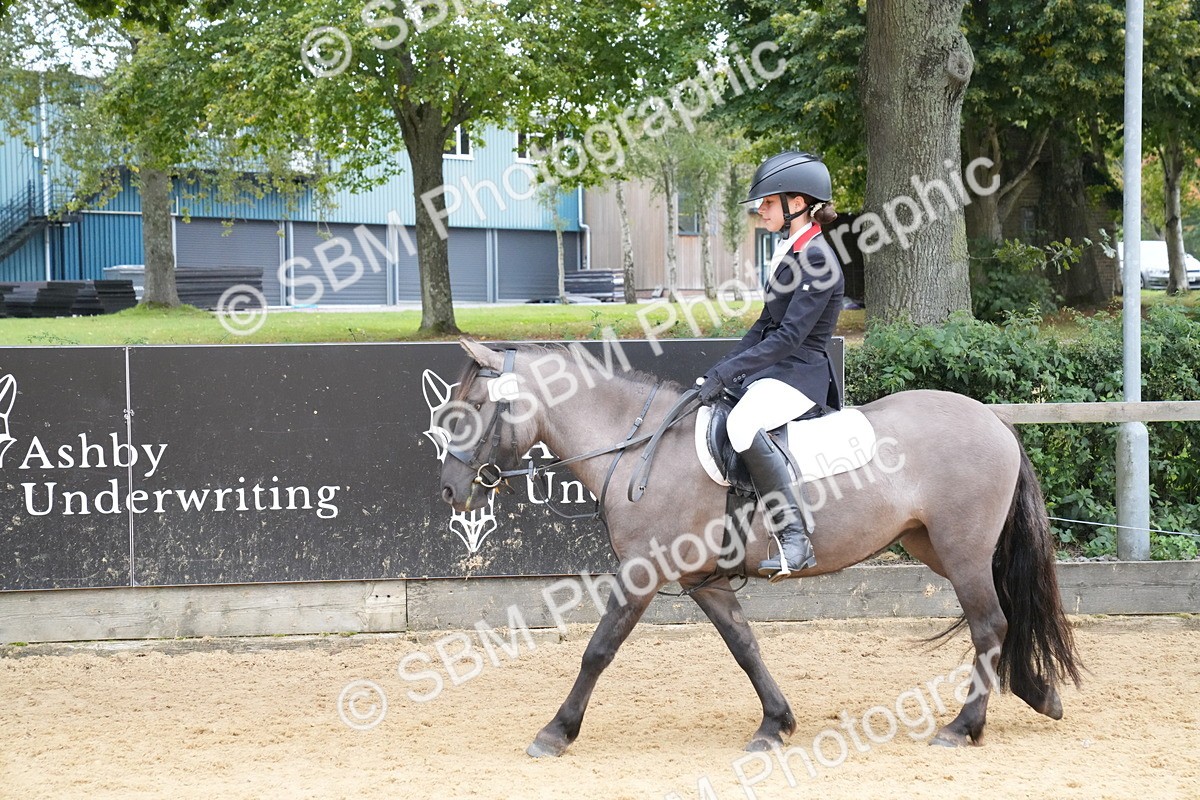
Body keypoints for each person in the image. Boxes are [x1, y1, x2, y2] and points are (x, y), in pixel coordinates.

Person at [696, 151, 844, 581]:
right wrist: (722, 369)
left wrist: (731, 373)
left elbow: (789, 338)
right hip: (779, 367)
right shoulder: (791, 249)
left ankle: (795, 540)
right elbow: (764, 324)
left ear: (797, 203)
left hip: (802, 374)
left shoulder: (817, 258)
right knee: (722, 410)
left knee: (741, 425)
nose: (760, 211)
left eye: (767, 203)